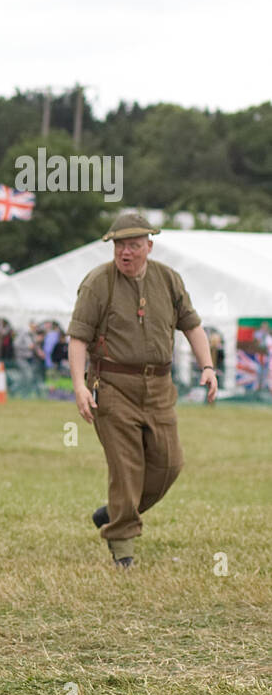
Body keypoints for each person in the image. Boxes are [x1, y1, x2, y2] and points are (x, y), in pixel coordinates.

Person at [68, 213, 217, 568]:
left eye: (134, 245)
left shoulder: (168, 279)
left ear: (149, 246)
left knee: (170, 464)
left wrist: (208, 367)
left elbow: (193, 327)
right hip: (113, 384)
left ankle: (117, 512)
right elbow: (77, 338)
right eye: (120, 245)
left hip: (160, 386)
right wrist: (78, 386)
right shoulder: (97, 283)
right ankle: (123, 548)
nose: (126, 252)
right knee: (127, 467)